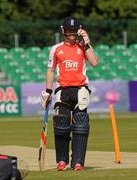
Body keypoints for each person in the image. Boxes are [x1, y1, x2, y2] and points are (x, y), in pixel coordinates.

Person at [40, 16, 98, 171]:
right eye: (69, 30)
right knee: (61, 124)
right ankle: (62, 161)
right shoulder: (56, 49)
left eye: (74, 30)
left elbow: (94, 62)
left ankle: (78, 162)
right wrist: (47, 91)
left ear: (78, 30)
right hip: (63, 90)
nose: (72, 33)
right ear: (63, 30)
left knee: (81, 125)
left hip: (80, 90)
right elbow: (51, 70)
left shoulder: (83, 47)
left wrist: (86, 45)